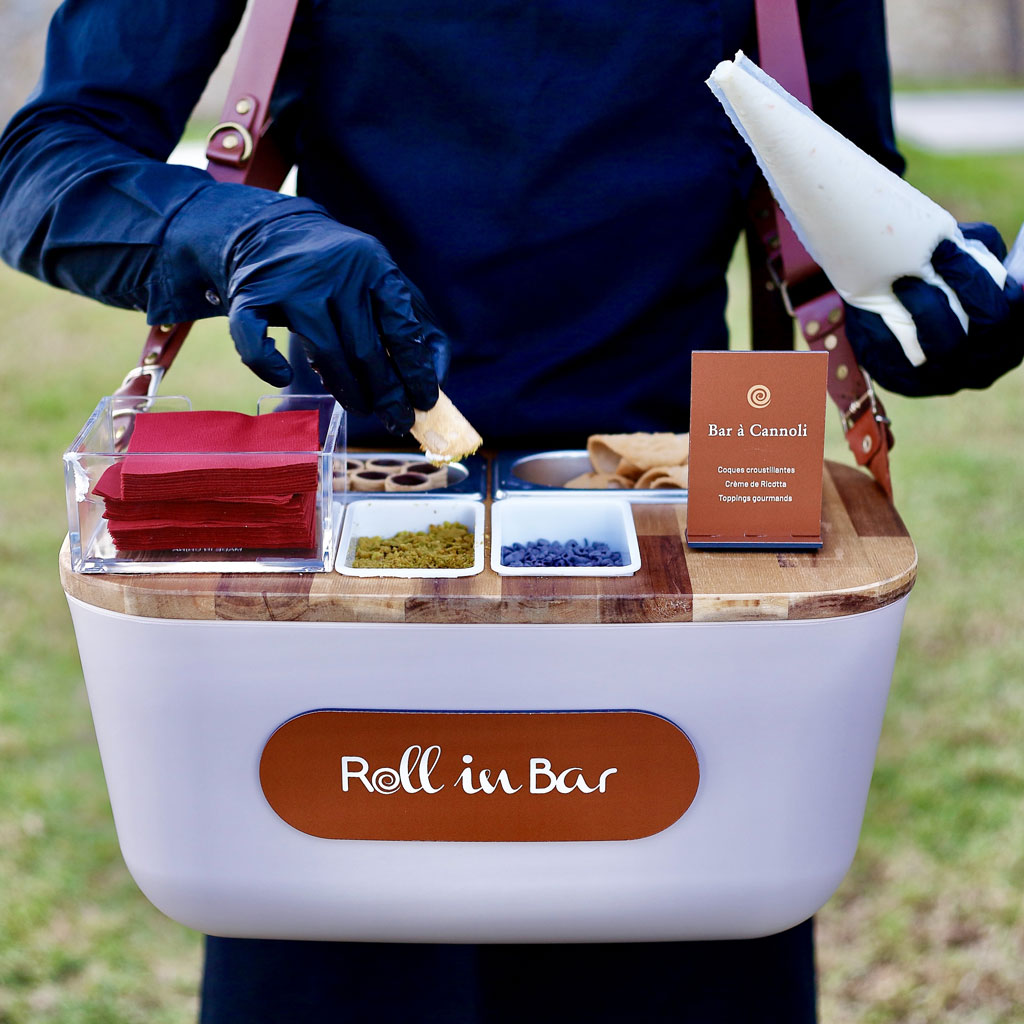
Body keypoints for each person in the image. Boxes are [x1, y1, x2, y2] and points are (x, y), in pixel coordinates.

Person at [1, 1, 1021, 1021]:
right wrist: (248, 231)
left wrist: (924, 310)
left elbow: (844, 211)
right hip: (352, 606)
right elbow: (45, 163)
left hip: (680, 597)